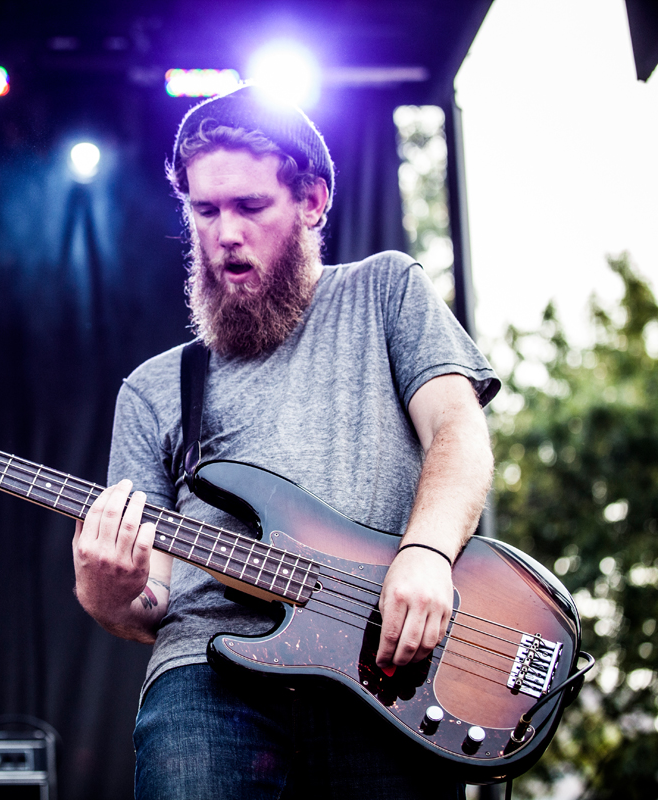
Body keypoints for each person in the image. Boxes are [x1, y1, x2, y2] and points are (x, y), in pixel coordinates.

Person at [71, 85, 500, 798]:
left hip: (385, 660)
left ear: (312, 200)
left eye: (250, 207)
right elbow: (150, 605)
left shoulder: (384, 292)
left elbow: (458, 429)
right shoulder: (153, 389)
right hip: (210, 671)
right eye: (204, 211)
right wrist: (106, 592)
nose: (224, 234)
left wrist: (424, 556)